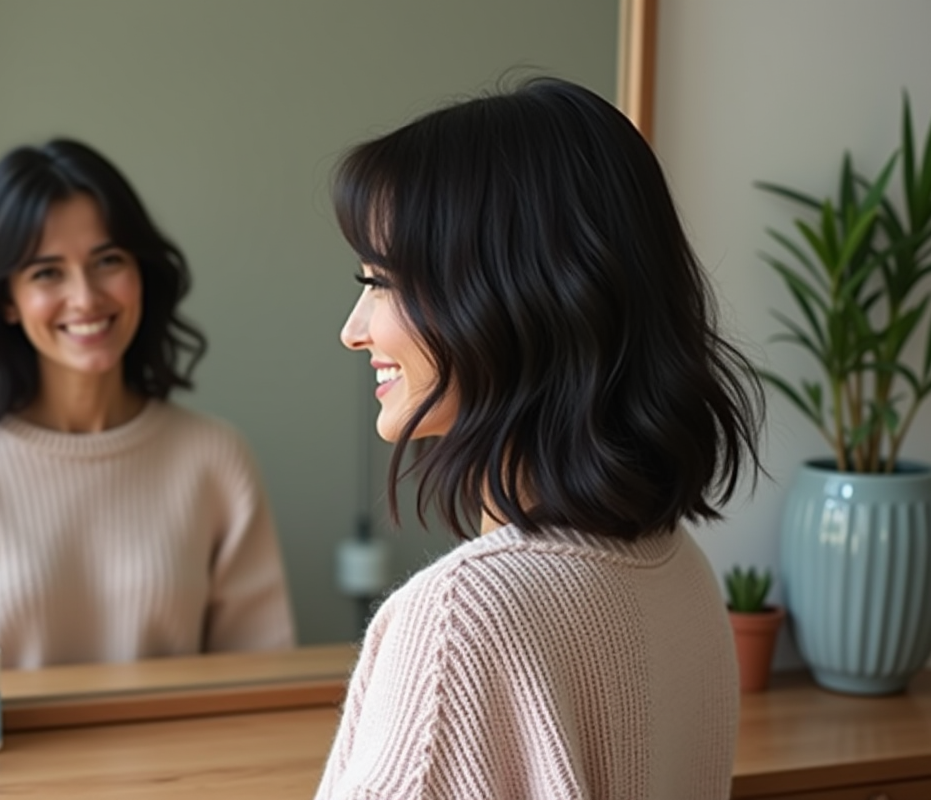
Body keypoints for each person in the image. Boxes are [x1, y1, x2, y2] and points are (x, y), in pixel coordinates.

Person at [315, 77, 763, 800]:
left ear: (508, 299)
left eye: (382, 281)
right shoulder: (679, 571)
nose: (354, 329)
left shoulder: (461, 618)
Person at [0, 139, 294, 669]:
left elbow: (259, 677)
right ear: (7, 300)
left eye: (107, 260)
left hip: (186, 753)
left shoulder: (215, 457)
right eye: (46, 272)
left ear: (141, 273)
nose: (86, 298)